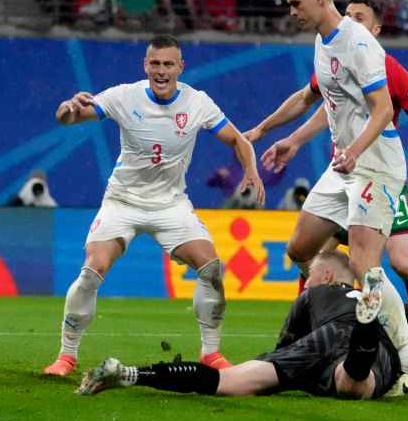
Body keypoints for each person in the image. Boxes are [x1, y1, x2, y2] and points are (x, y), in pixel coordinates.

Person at [43, 35, 266, 377]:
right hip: (123, 201)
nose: (161, 71)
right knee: (92, 269)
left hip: (171, 205)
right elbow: (71, 118)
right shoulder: (123, 96)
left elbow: (237, 138)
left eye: (168, 64)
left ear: (180, 67)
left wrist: (251, 169)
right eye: (155, 64)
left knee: (210, 267)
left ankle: (210, 353)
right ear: (145, 65)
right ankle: (66, 356)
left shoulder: (197, 102)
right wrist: (67, 108)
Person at [243, 0, 408, 375]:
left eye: (295, 3)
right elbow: (309, 98)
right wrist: (270, 131)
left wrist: (356, 151)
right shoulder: (323, 42)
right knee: (300, 249)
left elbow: (384, 109)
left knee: (366, 265)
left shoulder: (358, 43)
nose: (291, 11)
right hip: (344, 164)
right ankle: (338, 309)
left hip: (375, 163)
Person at [244, 0, 408, 312]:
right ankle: (310, 329)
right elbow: (319, 106)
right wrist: (288, 138)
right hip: (344, 175)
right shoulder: (335, 55)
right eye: (347, 15)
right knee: (315, 256)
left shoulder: (391, 71)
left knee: (401, 261)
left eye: (359, 18)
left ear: (376, 29)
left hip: (378, 175)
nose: (350, 22)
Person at [77, 250, 408, 400]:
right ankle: (363, 337)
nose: (305, 282)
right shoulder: (389, 306)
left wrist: (273, 378)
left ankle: (130, 373)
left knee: (228, 382)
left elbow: (284, 349)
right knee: (353, 384)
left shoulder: (310, 297)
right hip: (369, 344)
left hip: (316, 342)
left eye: (308, 275)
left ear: (326, 277)